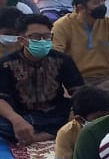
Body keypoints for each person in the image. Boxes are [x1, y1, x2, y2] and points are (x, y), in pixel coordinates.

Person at [0, 12, 84, 142]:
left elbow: (78, 91)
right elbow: (1, 98)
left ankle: (38, 136)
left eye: (46, 37)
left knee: (91, 111)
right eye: (35, 37)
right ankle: (55, 133)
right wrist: (16, 120)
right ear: (22, 40)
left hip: (57, 113)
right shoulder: (6, 63)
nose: (42, 41)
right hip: (22, 115)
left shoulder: (63, 60)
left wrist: (74, 113)